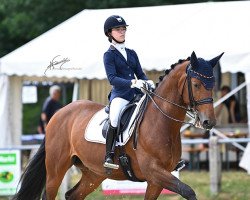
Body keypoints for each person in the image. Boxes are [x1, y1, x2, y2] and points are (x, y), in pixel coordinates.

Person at [103, 15, 154, 169]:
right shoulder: (109, 55)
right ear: (109, 33)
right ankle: (109, 155)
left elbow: (140, 73)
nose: (122, 31)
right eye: (118, 29)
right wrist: (132, 83)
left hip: (137, 95)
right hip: (120, 95)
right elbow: (112, 79)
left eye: (123, 28)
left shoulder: (132, 53)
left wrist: (147, 81)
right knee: (114, 119)